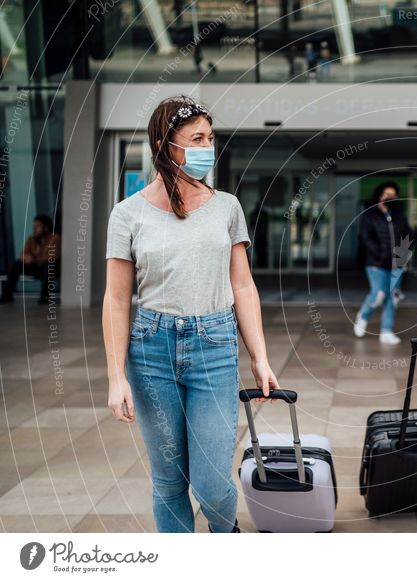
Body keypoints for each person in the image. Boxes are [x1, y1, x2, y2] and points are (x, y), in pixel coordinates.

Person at [102, 96, 281, 534]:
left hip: (214, 346)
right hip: (150, 350)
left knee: (213, 485)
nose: (207, 147)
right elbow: (117, 299)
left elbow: (242, 285)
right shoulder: (127, 215)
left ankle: (226, 537)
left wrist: (259, 356)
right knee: (168, 482)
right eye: (196, 139)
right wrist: (115, 375)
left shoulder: (226, 207)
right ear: (166, 145)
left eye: (210, 138)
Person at [353, 181, 413, 345]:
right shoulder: (370, 215)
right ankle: (364, 315)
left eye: (394, 195)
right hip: (376, 263)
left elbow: (408, 235)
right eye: (387, 195)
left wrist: (403, 255)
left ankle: (386, 331)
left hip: (396, 265)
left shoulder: (399, 215)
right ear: (380, 196)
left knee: (392, 297)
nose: (390, 198)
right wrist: (380, 254)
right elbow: (365, 238)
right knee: (379, 293)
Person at [1, 214, 61, 305]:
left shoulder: (55, 238)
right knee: (17, 264)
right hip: (37, 267)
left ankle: (45, 297)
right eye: (34, 226)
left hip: (51, 268)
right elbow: (22, 253)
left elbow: (53, 256)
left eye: (37, 226)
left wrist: (35, 259)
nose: (34, 228)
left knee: (49, 264)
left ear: (46, 227)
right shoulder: (31, 239)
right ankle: (7, 295)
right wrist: (26, 258)